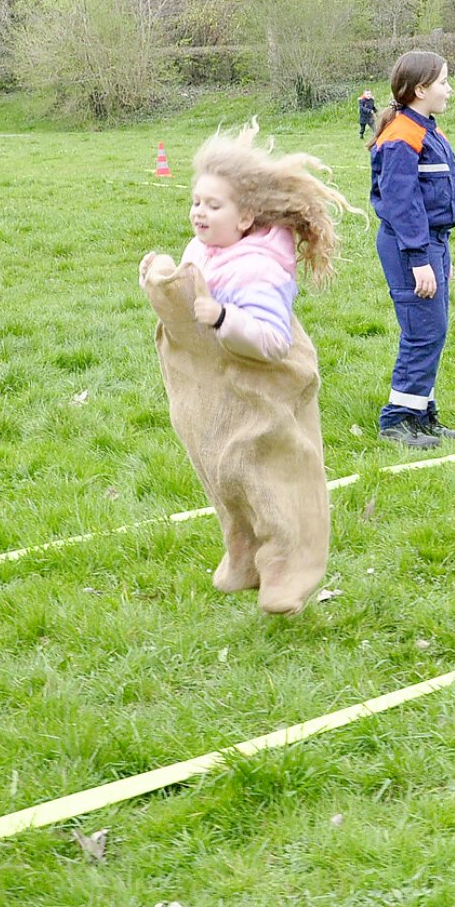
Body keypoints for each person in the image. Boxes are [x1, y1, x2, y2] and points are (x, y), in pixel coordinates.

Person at [138, 120, 358, 615]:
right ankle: (244, 556)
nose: (199, 212)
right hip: (223, 388)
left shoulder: (259, 269)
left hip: (265, 382)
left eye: (213, 205)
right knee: (221, 471)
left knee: (266, 475)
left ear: (245, 219)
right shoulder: (208, 248)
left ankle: (287, 570)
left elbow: (274, 341)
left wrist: (222, 318)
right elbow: (191, 295)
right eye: (196, 201)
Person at [368, 50, 455, 449]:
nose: (449, 90)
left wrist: (444, 255)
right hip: (409, 246)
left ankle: (421, 414)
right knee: (422, 333)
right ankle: (396, 420)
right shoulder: (401, 137)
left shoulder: (429, 131)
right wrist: (419, 259)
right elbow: (401, 204)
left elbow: (435, 202)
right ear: (420, 89)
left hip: (432, 243)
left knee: (434, 330)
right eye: (443, 82)